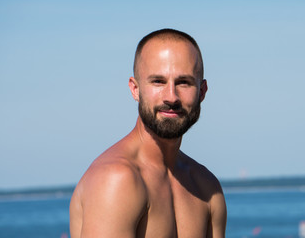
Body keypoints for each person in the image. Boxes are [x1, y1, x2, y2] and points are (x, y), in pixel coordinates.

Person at [69, 28, 227, 238]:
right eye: (158, 82)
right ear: (135, 89)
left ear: (202, 91)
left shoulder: (207, 188)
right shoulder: (117, 180)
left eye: (184, 82)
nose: (171, 97)